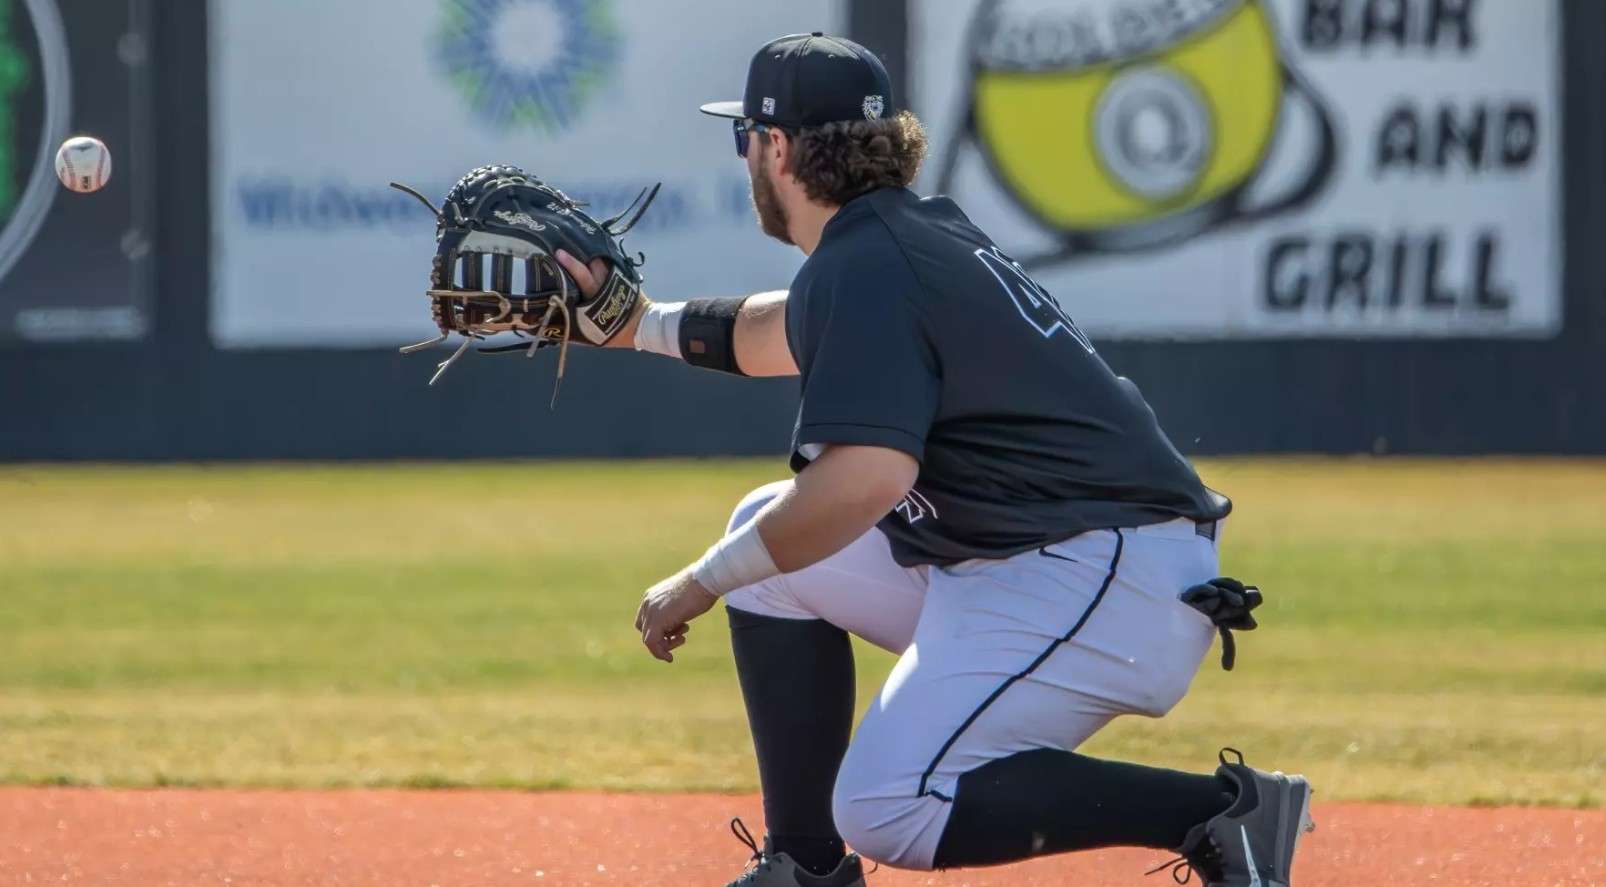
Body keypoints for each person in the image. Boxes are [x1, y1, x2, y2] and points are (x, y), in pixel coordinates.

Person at [554, 32, 1313, 887]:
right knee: (765, 543)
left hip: (1101, 576)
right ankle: (804, 868)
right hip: (1044, 559)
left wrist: (699, 582)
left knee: (888, 802)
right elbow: (778, 329)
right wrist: (636, 324)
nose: (747, 157)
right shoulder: (899, 240)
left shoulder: (870, 264)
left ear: (778, 149)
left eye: (747, 138)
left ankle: (1216, 813)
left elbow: (867, 479)